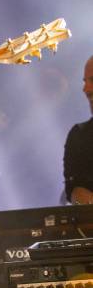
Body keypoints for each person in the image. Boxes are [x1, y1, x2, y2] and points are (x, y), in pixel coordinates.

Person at [64, 55, 93, 205]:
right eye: (85, 81)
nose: (86, 89)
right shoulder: (78, 136)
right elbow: (75, 190)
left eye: (92, 80)